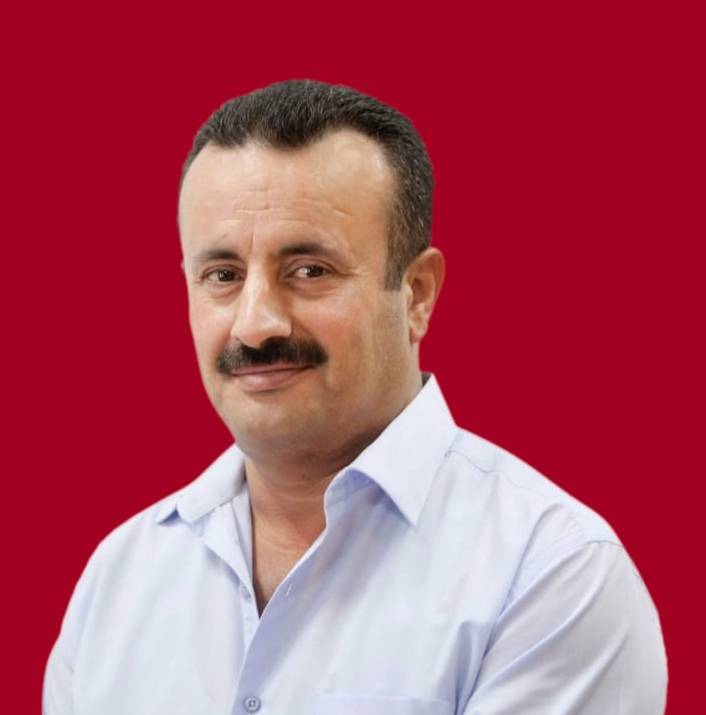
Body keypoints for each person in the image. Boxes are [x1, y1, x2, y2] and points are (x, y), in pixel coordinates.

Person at [43, 79, 667, 715]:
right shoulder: (117, 579)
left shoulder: (551, 575)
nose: (255, 324)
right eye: (222, 276)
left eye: (309, 271)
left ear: (417, 294)